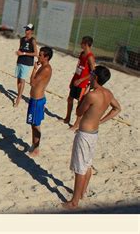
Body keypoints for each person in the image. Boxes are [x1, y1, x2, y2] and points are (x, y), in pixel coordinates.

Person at [63, 66, 121, 209]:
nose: (89, 75)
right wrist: (101, 120)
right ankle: (82, 193)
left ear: (95, 77)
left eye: (91, 73)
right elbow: (117, 108)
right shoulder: (108, 93)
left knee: (79, 168)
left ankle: (74, 202)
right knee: (87, 164)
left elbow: (78, 112)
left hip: (85, 134)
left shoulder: (92, 95)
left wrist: (84, 95)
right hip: (94, 133)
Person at [63, 36, 96, 130]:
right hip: (76, 80)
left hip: (82, 83)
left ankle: (76, 124)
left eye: (81, 43)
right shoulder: (82, 54)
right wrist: (73, 80)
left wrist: (81, 80)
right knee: (70, 99)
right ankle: (67, 118)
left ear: (85, 44)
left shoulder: (90, 57)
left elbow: (93, 72)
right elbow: (78, 69)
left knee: (80, 103)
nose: (80, 44)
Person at [26, 46, 53, 157]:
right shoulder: (43, 66)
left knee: (36, 125)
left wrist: (34, 69)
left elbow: (32, 83)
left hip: (37, 101)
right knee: (33, 124)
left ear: (46, 57)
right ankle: (34, 144)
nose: (38, 56)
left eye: (41, 55)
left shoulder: (46, 68)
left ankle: (36, 148)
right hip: (34, 100)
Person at [14, 23, 38, 107]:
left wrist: (23, 53)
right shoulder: (22, 39)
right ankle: (18, 94)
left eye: (28, 29)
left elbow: (35, 53)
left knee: (22, 79)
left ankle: (18, 98)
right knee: (18, 79)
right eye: (26, 29)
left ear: (31, 31)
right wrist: (18, 52)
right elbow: (21, 49)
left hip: (27, 62)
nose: (26, 31)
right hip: (20, 60)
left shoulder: (33, 40)